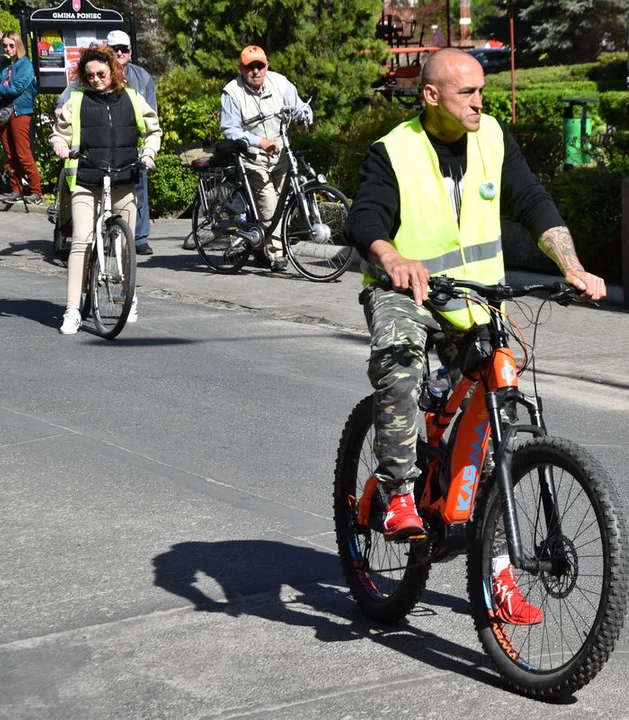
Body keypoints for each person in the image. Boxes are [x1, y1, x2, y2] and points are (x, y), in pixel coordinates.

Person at [345, 47, 607, 625]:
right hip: (404, 290)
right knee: (401, 359)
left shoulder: (491, 137)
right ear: (432, 95)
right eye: (467, 93)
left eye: (482, 91)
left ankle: (500, 574)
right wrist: (392, 255)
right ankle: (395, 490)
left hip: (473, 299)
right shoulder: (394, 151)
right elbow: (364, 217)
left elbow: (532, 201)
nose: (479, 102)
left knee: (503, 423)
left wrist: (571, 266)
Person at [50, 44, 161, 335]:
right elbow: (59, 133)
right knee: (82, 242)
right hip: (87, 179)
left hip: (124, 177)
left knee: (125, 245)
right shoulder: (77, 101)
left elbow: (153, 130)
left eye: (101, 73)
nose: (96, 79)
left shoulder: (133, 99)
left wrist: (149, 153)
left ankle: (129, 296)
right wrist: (60, 145)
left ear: (113, 70)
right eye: (90, 75)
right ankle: (72, 310)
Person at [55, 30, 158, 255]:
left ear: (130, 52)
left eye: (124, 48)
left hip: (130, 149)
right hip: (93, 156)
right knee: (82, 209)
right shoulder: (91, 73)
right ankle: (77, 238)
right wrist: (62, 115)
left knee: (137, 191)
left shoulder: (142, 77)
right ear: (109, 52)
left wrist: (149, 151)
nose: (120, 52)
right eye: (116, 49)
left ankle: (138, 238)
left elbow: (152, 116)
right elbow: (66, 100)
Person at [217, 45, 312, 271]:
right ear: (241, 68)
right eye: (250, 67)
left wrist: (304, 118)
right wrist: (259, 142)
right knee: (268, 205)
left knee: (281, 205)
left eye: (260, 66)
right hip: (252, 158)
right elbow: (230, 129)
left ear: (267, 66)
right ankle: (277, 256)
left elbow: (300, 107)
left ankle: (259, 248)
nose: (256, 71)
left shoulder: (281, 83)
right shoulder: (232, 92)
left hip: (281, 156)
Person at [0, 31, 43, 205]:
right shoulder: (5, 65)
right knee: (9, 153)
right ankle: (16, 190)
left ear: (18, 45)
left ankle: (37, 193)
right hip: (4, 111)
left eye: (11, 45)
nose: (8, 48)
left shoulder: (25, 64)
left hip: (20, 111)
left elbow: (15, 89)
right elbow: (0, 83)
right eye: (4, 45)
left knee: (22, 152)